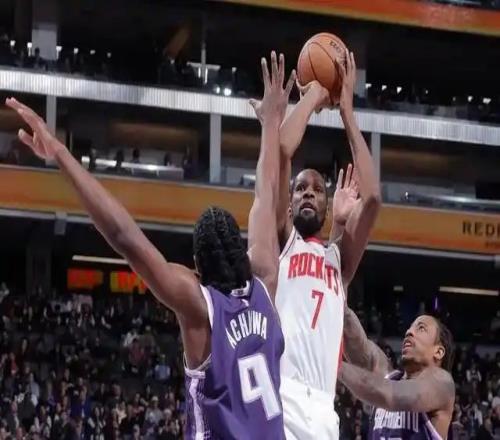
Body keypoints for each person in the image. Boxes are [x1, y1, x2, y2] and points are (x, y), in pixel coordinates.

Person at [5, 50, 295, 439]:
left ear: (197, 266)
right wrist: (271, 124)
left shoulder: (199, 305)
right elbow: (265, 194)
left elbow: (124, 236)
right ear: (242, 252)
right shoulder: (266, 281)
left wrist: (60, 153)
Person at [251, 49, 381, 439]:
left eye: (318, 189)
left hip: (324, 410)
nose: (309, 192)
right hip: (280, 393)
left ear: (327, 206)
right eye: (301, 188)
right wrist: (312, 97)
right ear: (290, 205)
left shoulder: (339, 261)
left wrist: (347, 112)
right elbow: (282, 151)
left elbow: (374, 198)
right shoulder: (282, 242)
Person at [339, 306, 455, 439]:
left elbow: (392, 395)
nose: (409, 332)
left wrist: (334, 365)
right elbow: (358, 345)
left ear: (438, 352)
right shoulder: (390, 378)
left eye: (421, 328)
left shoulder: (442, 384)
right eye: (410, 328)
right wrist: (340, 304)